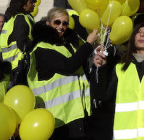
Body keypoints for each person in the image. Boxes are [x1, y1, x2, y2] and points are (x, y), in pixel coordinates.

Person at [27, 7, 98, 140]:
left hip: (75, 112)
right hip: (57, 117)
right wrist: (88, 44)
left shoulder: (67, 44)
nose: (61, 26)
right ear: (48, 23)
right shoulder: (42, 48)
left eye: (65, 23)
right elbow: (69, 66)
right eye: (57, 22)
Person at [0, 0, 36, 83]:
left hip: (10, 64)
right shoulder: (21, 19)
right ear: (23, 6)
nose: (34, 5)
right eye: (31, 2)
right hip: (19, 65)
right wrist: (37, 42)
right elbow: (22, 44)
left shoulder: (12, 18)